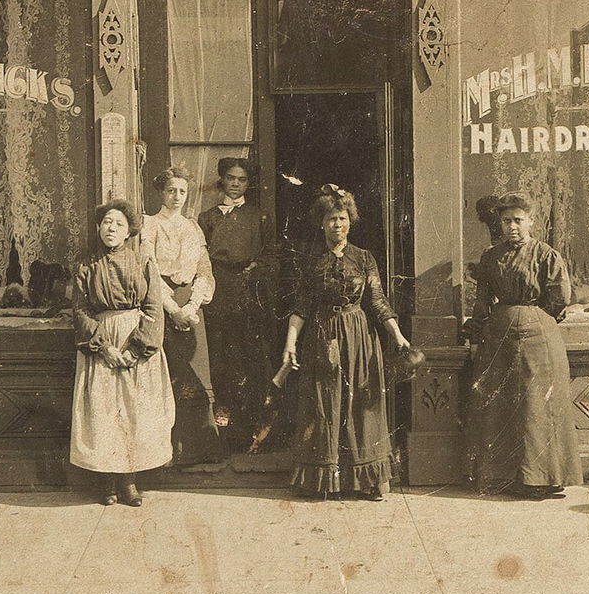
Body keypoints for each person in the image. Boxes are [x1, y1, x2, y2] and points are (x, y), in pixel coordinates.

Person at [280, 184, 419, 500]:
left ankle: (368, 481)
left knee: (360, 404)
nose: (336, 225)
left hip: (358, 337)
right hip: (322, 336)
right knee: (324, 405)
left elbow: (378, 301)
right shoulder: (311, 261)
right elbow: (301, 307)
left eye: (342, 218)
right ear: (322, 223)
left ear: (350, 220)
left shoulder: (364, 258)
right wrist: (290, 344)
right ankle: (322, 482)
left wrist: (397, 335)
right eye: (331, 219)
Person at [462, 195, 583, 499]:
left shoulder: (546, 255)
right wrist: (478, 330)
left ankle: (539, 478)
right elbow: (482, 300)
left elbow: (558, 299)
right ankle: (502, 476)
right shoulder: (491, 257)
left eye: (518, 220)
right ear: (499, 224)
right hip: (499, 337)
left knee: (536, 406)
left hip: (539, 338)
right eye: (506, 221)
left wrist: (531, 317)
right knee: (501, 405)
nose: (512, 226)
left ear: (531, 222)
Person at [69, 201, 174, 506]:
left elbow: (154, 308)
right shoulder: (86, 265)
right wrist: (104, 348)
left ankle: (129, 481)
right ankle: (106, 482)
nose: (111, 229)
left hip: (135, 345)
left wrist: (137, 348)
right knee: (103, 413)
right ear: (98, 228)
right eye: (106, 223)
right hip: (102, 344)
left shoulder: (143, 261)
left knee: (134, 412)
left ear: (129, 231)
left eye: (118, 224)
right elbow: (81, 310)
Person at [141, 166, 225, 465]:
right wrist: (173, 309)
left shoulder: (192, 227)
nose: (177, 197)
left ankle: (200, 448)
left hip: (191, 304)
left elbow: (205, 271)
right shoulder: (149, 225)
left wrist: (191, 307)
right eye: (171, 191)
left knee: (197, 373)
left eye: (182, 192)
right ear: (161, 193)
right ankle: (168, 452)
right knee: (168, 375)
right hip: (161, 304)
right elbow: (148, 272)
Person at [198, 157, 278, 452]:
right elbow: (199, 257)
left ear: (248, 184)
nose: (235, 184)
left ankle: (255, 429)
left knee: (252, 357)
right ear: (222, 181)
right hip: (218, 291)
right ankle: (223, 431)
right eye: (230, 178)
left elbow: (272, 254)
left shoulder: (259, 217)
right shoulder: (207, 218)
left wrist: (254, 269)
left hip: (249, 291)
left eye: (241, 180)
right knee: (221, 356)